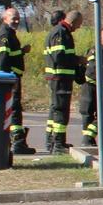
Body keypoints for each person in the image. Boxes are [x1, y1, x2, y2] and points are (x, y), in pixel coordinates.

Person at [0, 6, 34, 154]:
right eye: (13, 18)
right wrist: (9, 80)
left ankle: (17, 142)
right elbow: (2, 62)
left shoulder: (10, 34)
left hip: (12, 79)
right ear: (5, 19)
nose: (16, 20)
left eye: (17, 18)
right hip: (9, 81)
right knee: (14, 111)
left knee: (15, 110)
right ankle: (18, 143)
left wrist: (21, 51)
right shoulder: (4, 35)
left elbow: (10, 56)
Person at [43, 10, 83, 154]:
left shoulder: (61, 32)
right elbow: (59, 56)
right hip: (60, 78)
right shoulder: (61, 33)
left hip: (59, 78)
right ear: (72, 22)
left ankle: (51, 142)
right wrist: (77, 60)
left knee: (55, 109)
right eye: (78, 25)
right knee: (60, 110)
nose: (78, 28)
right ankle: (58, 144)